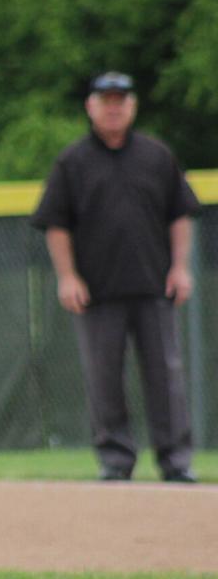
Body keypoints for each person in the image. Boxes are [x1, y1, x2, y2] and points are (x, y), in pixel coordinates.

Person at [32, 71, 201, 484]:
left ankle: (176, 461)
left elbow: (180, 214)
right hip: (97, 291)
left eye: (120, 100)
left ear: (132, 106)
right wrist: (68, 276)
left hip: (154, 284)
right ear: (90, 106)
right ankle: (115, 460)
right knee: (103, 377)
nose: (113, 108)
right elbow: (56, 223)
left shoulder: (157, 155)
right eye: (105, 100)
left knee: (166, 376)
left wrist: (180, 267)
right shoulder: (73, 161)